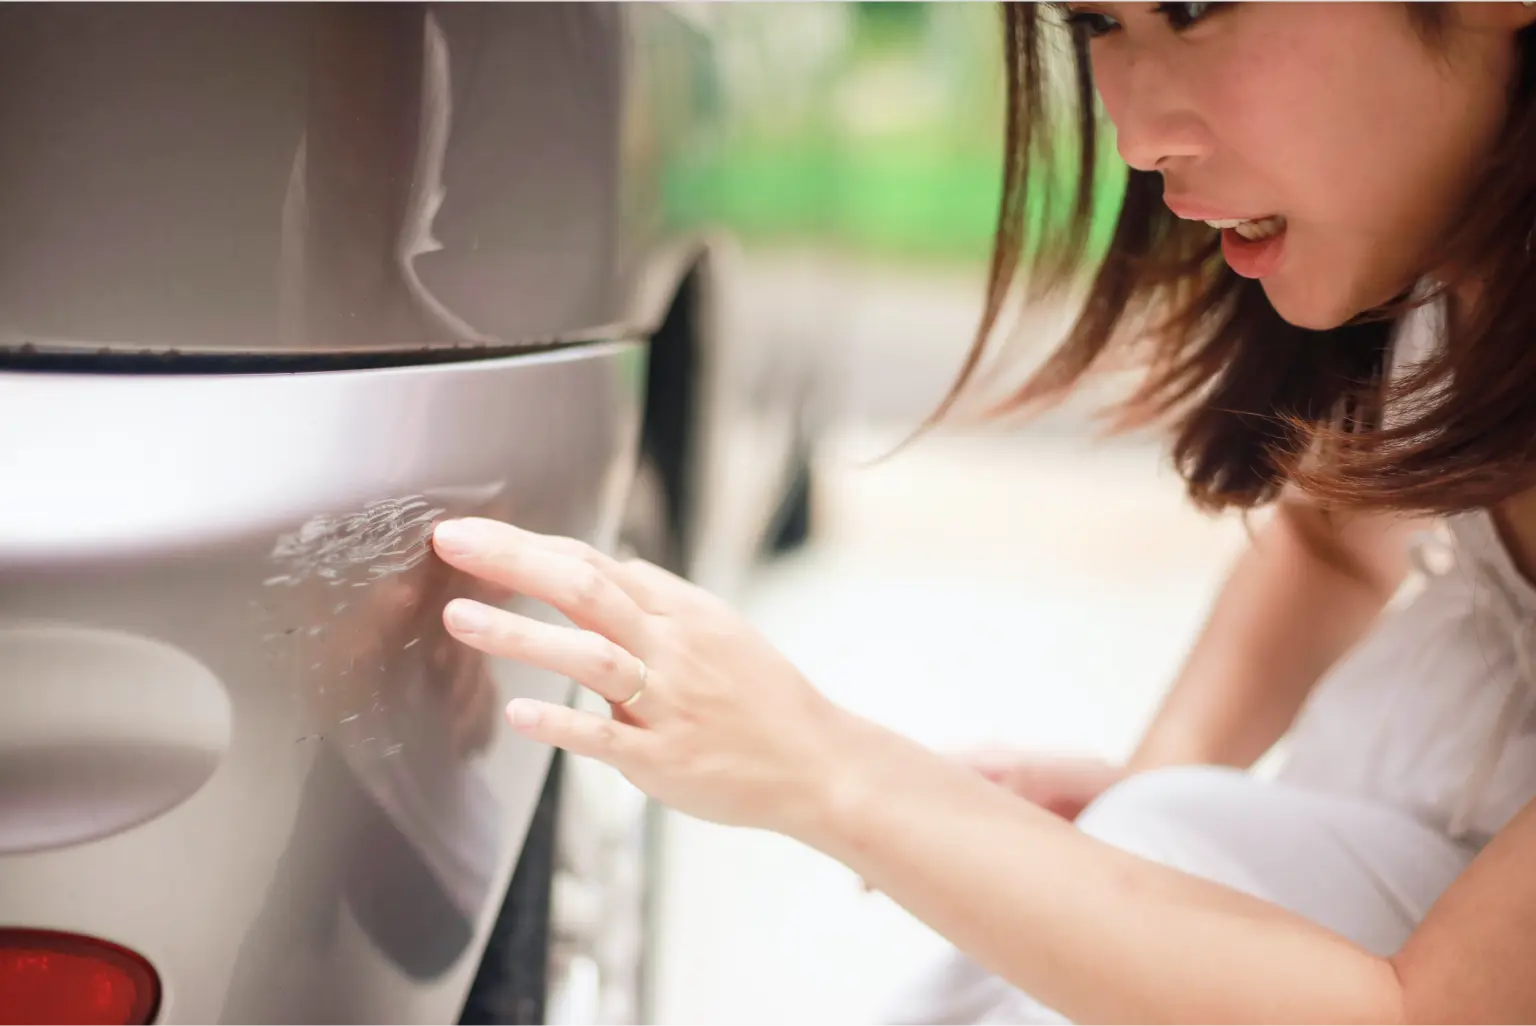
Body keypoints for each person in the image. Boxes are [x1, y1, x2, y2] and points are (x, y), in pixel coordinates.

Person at [430, 4, 1536, 1024]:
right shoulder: (1452, 278)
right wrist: (1142, 818)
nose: (1139, 133)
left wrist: (829, 770)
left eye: (1196, 7)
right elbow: (1330, 547)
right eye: (1099, 20)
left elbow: (1423, 1011)